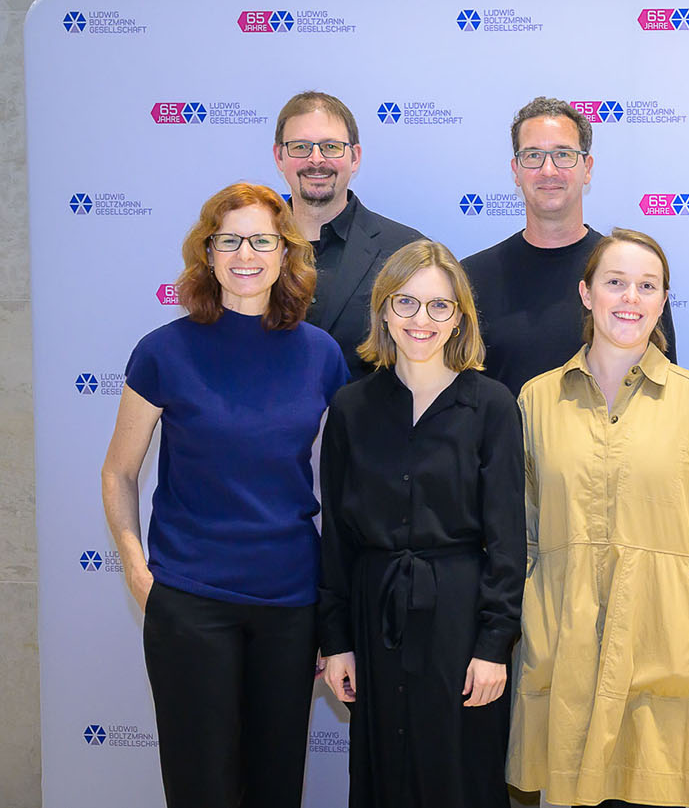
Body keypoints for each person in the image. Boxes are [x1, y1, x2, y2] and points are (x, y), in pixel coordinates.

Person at [100, 183, 349, 808]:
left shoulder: (321, 356)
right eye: (229, 240)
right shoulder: (163, 352)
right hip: (191, 601)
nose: (246, 255)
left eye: (262, 240)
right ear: (207, 253)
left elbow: (344, 485)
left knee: (275, 788)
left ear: (285, 253)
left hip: (290, 605)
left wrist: (333, 611)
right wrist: (136, 570)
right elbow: (119, 472)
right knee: (201, 789)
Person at [507, 229, 689, 807]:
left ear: (663, 300)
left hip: (668, 646)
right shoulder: (535, 400)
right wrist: (529, 622)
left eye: (647, 286)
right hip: (565, 647)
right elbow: (519, 533)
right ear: (586, 294)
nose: (631, 298)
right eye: (615, 282)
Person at [318, 240, 524, 808]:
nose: (421, 320)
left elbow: (508, 541)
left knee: (461, 773)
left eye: (439, 306)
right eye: (406, 302)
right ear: (384, 309)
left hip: (460, 618)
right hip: (374, 614)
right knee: (384, 773)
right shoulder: (350, 408)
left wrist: (494, 645)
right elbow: (336, 538)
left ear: (459, 317)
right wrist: (336, 642)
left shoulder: (492, 406)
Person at [462, 96, 675, 395]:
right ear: (516, 170)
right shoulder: (472, 277)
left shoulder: (631, 274)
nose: (548, 170)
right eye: (533, 155)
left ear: (587, 167)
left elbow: (665, 388)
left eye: (563, 155)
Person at [273, 90, 425, 380]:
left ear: (355, 157)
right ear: (279, 157)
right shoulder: (247, 254)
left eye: (330, 147)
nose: (316, 159)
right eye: (300, 147)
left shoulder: (406, 252)